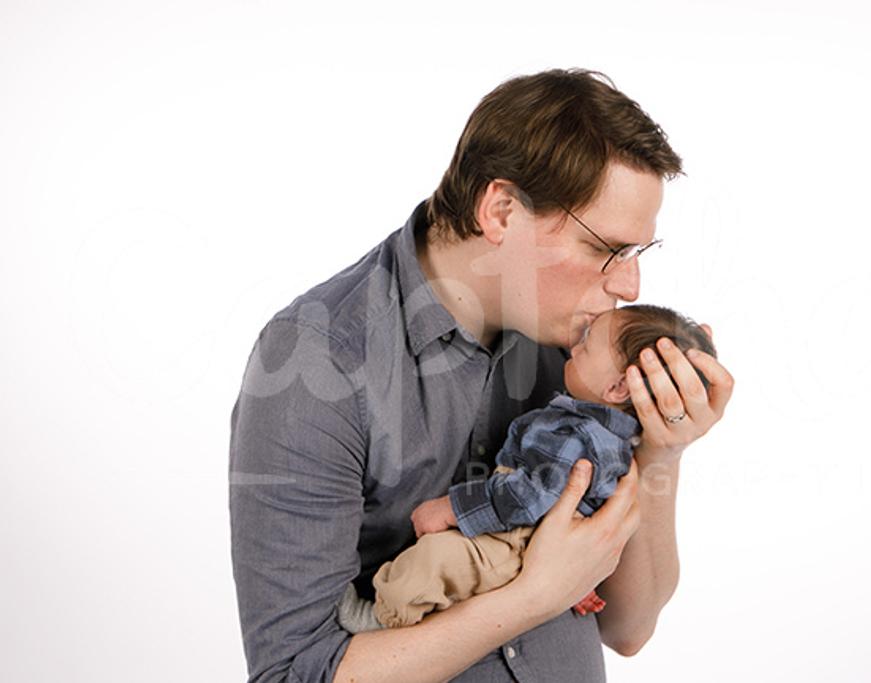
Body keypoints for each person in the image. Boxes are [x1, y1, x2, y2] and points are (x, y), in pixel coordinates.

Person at [229, 67, 734, 683]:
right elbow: (293, 674)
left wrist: (661, 448)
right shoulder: (318, 364)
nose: (629, 286)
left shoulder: (583, 352)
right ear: (501, 212)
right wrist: (533, 597)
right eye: (605, 249)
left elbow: (630, 627)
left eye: (635, 254)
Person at [336, 305, 717, 633]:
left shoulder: (576, 434)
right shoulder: (612, 439)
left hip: (515, 536)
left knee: (436, 559)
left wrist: (453, 508)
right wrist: (582, 580)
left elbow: (528, 497)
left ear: (618, 388)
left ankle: (381, 617)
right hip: (537, 541)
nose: (575, 345)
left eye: (587, 343)